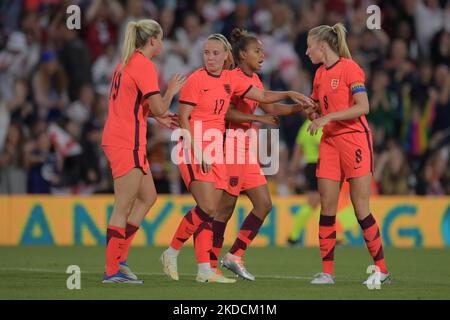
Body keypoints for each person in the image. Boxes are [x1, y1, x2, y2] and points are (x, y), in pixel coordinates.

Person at [160, 33, 314, 283]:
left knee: (258, 204)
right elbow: (222, 114)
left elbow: (267, 103)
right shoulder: (212, 79)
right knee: (218, 209)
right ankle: (199, 262)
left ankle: (220, 261)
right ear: (241, 54)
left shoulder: (240, 80)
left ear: (225, 55)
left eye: (215, 53)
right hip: (221, 145)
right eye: (257, 51)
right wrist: (259, 118)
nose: (262, 55)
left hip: (235, 148)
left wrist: (297, 102)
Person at [304, 23, 391, 285]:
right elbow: (319, 108)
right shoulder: (319, 74)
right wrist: (312, 111)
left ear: (322, 46)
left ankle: (382, 270)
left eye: (309, 47)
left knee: (360, 207)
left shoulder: (350, 68)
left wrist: (327, 116)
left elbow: (363, 107)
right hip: (330, 142)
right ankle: (327, 273)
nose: (307, 52)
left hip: (354, 141)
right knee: (327, 206)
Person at [101, 19, 184, 284]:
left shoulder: (125, 63)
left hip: (123, 137)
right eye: (161, 38)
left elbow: (132, 104)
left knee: (148, 196)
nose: (162, 42)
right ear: (152, 41)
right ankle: (112, 270)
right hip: (126, 141)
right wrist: (170, 92)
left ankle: (120, 261)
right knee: (123, 206)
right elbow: (159, 108)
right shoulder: (144, 65)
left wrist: (152, 116)